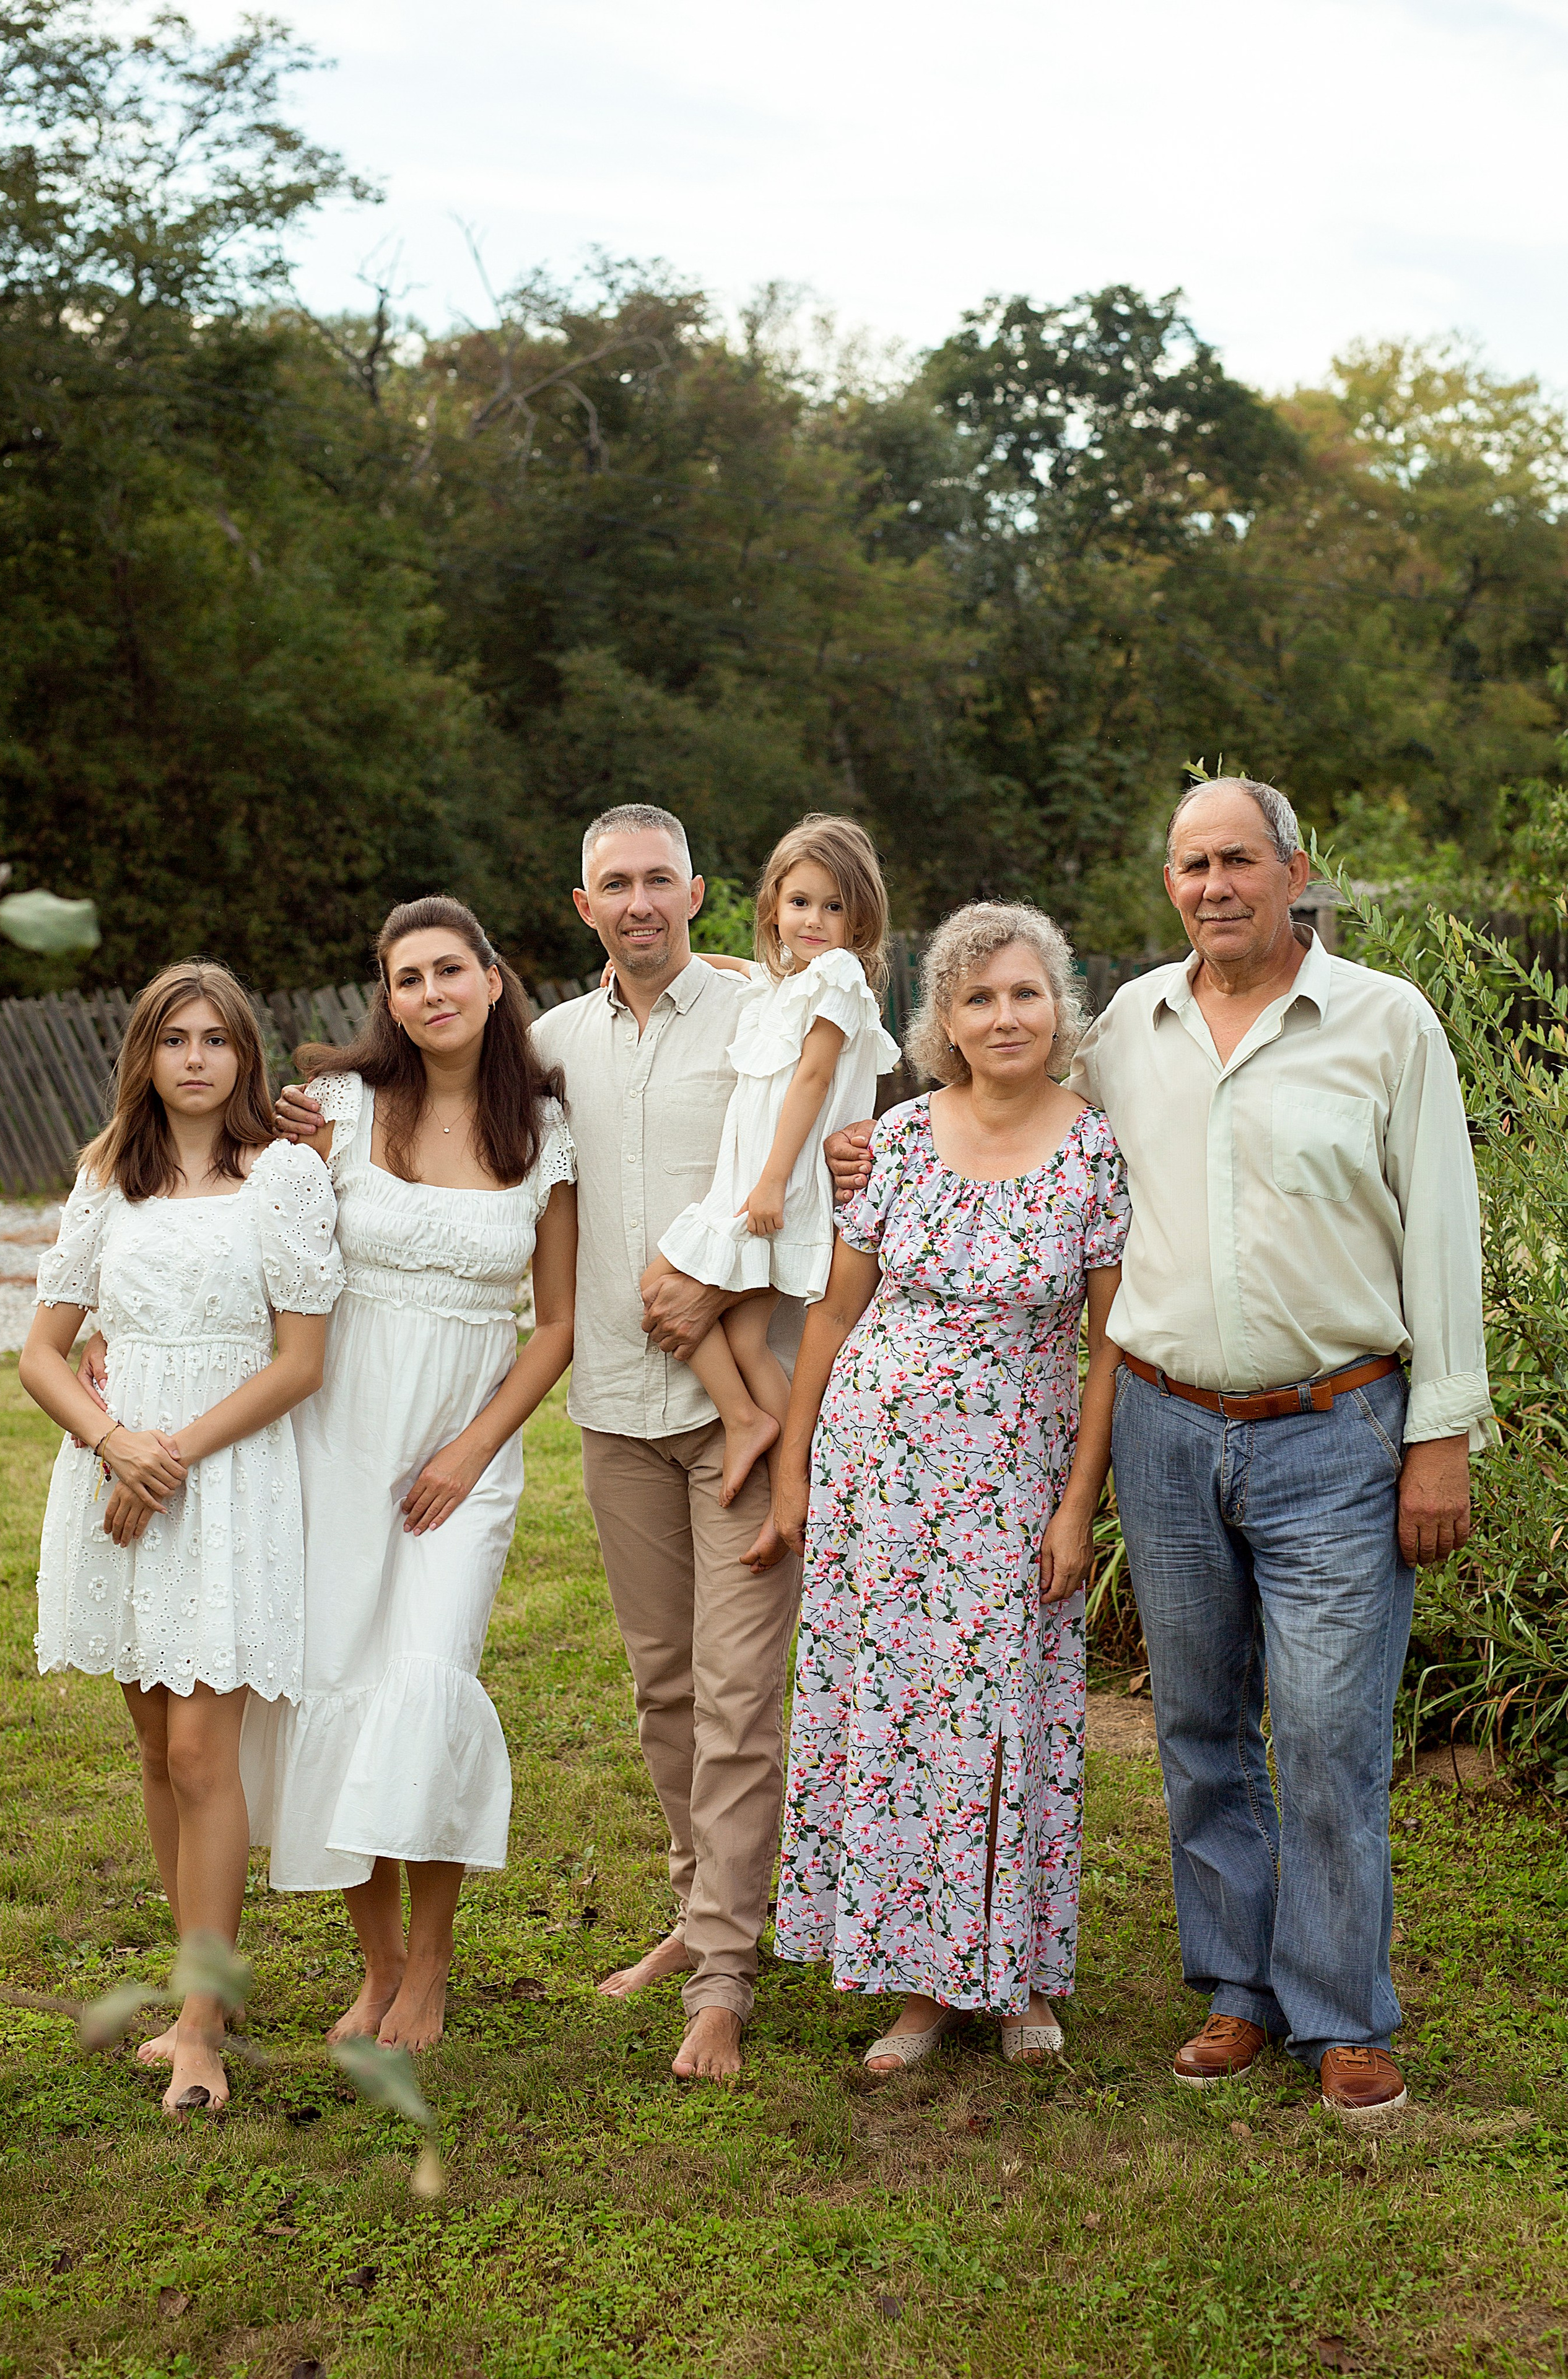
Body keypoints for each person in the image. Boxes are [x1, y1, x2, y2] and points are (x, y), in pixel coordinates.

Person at [827, 779, 1492, 2121]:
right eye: (1190, 864)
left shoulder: (1382, 1023)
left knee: (1322, 1733)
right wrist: (865, 1136)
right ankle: (1238, 1993)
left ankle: (1340, 2012)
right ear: (1168, 883)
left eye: (1237, 858)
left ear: (1293, 867)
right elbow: (990, 1095)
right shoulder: (1128, 1026)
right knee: (1194, 1726)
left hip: (1336, 1427)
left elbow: (1440, 1229)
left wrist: (1441, 1441)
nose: (1213, 885)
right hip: (1168, 1431)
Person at [772, 902, 1129, 2073]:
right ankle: (917, 1980)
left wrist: (1078, 1505)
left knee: (1008, 1716)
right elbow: (832, 1312)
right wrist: (796, 1467)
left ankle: (1018, 1970)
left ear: (1058, 1004)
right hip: (879, 1479)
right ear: (945, 1021)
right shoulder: (900, 1139)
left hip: (1015, 1485)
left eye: (1025, 992)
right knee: (902, 1722)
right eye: (978, 997)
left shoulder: (1093, 1145)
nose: (1005, 1015)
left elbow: (1109, 1344)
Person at [251, 895, 577, 2049]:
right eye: (406, 977)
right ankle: (376, 1967)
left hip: (464, 1452)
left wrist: (472, 1448)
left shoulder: (543, 1130)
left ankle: (432, 1966)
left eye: (450, 969)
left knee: (428, 1685)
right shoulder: (337, 1110)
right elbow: (254, 1243)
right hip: (336, 1440)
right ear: (385, 997)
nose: (430, 992)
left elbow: (555, 1326)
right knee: (335, 1683)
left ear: (493, 980)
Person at [22, 961, 341, 2114]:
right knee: (157, 1753)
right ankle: (206, 1976)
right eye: (175, 1039)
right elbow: (41, 1351)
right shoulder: (110, 1175)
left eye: (217, 1038)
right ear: (146, 1057)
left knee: (207, 1756)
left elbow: (301, 1362)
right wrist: (116, 1442)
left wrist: (173, 1454)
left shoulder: (287, 1176)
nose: (196, 1057)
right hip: (115, 1478)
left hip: (226, 1479)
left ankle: (201, 2022)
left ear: (246, 1056)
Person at [529, 803, 805, 2084]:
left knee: (740, 1695)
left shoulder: (763, 1019)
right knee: (663, 1691)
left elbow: (816, 1159)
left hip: (739, 1411)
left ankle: (723, 1976)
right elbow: (421, 1121)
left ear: (697, 892)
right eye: (612, 886)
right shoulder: (545, 1047)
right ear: (581, 906)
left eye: (657, 881)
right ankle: (704, 1911)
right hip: (614, 1416)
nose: (637, 903)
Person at [645, 815, 898, 1506]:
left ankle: (761, 1432)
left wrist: (771, 1183)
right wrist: (705, 964)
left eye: (833, 905)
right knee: (745, 1334)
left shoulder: (839, 977)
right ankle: (788, 1454)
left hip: (775, 1186)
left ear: (858, 919)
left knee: (658, 1287)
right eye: (799, 903)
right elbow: (753, 972)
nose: (813, 919)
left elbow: (812, 1081)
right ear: (775, 909)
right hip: (755, 1183)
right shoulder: (788, 984)